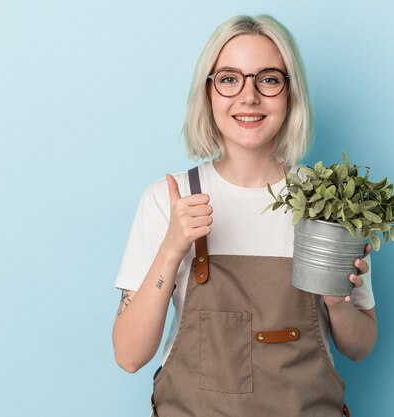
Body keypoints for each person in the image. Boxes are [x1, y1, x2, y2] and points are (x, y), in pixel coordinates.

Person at [112, 14, 377, 417]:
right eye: (230, 78)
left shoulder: (332, 202)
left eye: (268, 79)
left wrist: (337, 302)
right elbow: (129, 355)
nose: (248, 96)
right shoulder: (168, 200)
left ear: (290, 93)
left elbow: (360, 346)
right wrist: (171, 248)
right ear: (209, 93)